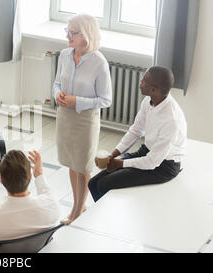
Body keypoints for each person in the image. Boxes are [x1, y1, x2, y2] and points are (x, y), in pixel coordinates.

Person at [88, 66, 187, 201]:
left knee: (104, 184)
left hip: (164, 166)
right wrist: (113, 155)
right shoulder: (149, 100)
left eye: (144, 81)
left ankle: (109, 218)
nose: (140, 82)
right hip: (147, 151)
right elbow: (136, 131)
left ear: (153, 89)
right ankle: (100, 216)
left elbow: (152, 162)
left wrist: (120, 164)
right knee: (93, 183)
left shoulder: (171, 120)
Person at [53, 14, 112, 224]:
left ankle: (77, 211)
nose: (68, 36)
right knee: (71, 163)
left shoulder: (99, 62)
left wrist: (77, 100)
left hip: (85, 123)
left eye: (72, 32)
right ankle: (78, 207)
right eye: (67, 31)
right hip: (65, 118)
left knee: (83, 166)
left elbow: (106, 100)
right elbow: (57, 83)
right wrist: (57, 94)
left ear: (86, 35)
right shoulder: (64, 55)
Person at [0, 150, 61, 252]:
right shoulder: (52, 205)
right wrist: (39, 174)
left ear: (1, 180)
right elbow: (46, 192)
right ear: (30, 177)